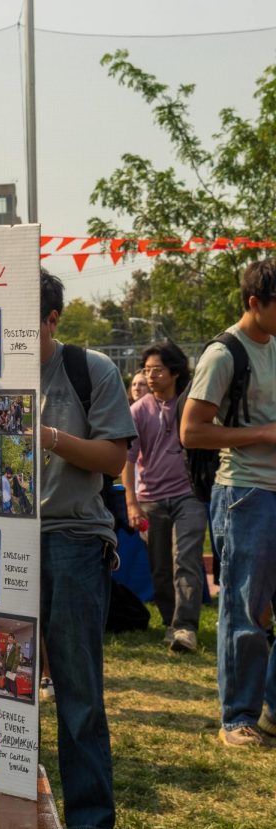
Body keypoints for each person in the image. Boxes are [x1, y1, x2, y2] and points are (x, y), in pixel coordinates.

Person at [39, 269, 135, 829]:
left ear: (52, 319)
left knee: (77, 685)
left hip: (73, 538)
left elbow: (112, 460)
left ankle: (91, 820)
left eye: (25, 316)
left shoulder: (90, 369)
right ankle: (2, 803)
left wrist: (45, 435)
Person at [181, 259, 276, 748]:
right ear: (253, 303)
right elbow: (191, 430)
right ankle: (237, 718)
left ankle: (272, 710)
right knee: (245, 609)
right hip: (244, 492)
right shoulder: (224, 353)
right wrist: (262, 434)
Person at [123, 340, 206, 653]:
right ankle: (171, 622)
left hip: (189, 495)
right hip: (151, 500)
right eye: (147, 370)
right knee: (160, 568)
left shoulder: (189, 404)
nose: (151, 376)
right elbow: (127, 461)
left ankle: (186, 628)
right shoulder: (137, 411)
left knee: (185, 559)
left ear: (174, 372)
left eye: (157, 370)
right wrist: (132, 503)